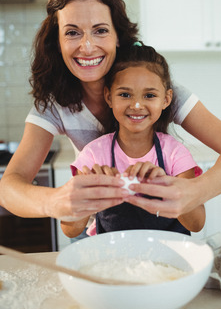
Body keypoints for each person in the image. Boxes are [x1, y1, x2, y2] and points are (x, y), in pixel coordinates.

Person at [0, 0, 221, 229]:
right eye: (72, 33)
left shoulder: (156, 89)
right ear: (57, 42)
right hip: (99, 229)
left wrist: (194, 192)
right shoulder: (55, 104)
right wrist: (56, 201)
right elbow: (9, 187)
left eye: (100, 31)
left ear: (118, 37)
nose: (87, 46)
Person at [62, 43, 206, 238]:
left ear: (166, 99)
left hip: (170, 262)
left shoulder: (175, 154)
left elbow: (196, 223)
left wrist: (167, 187)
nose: (137, 105)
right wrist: (89, 195)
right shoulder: (93, 155)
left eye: (149, 95)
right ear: (109, 97)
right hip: (114, 263)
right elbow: (70, 230)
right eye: (125, 94)